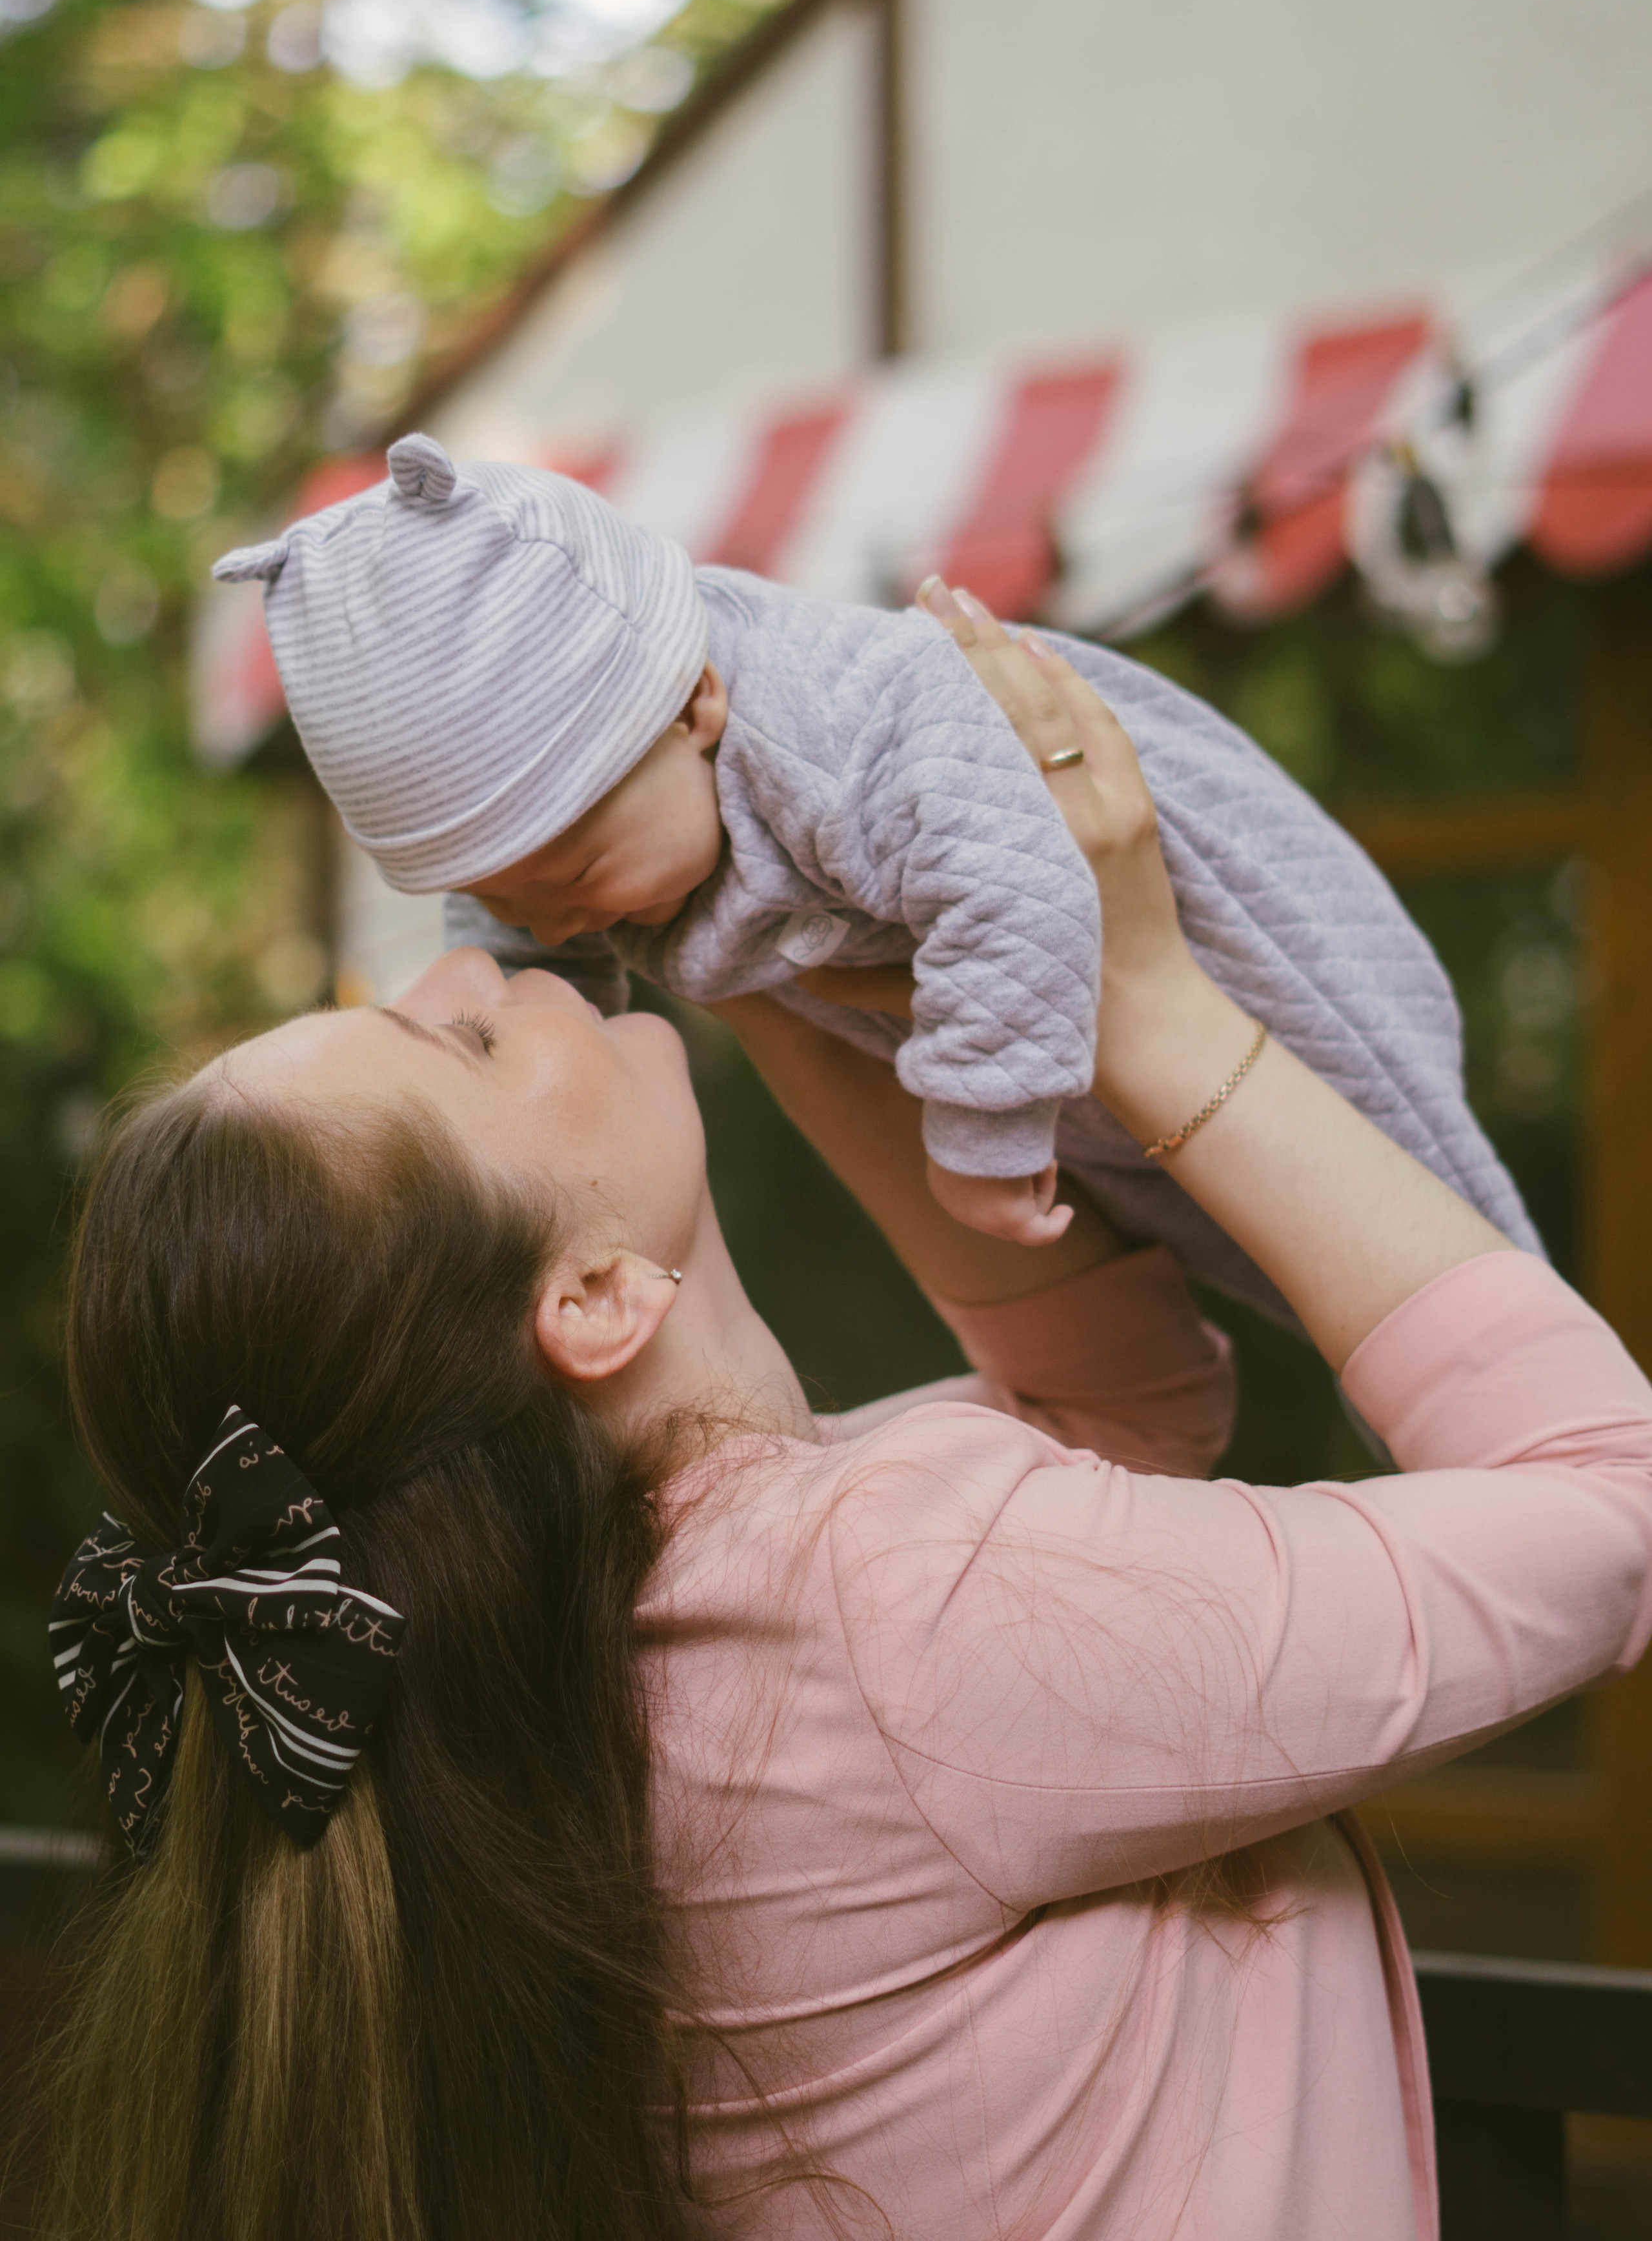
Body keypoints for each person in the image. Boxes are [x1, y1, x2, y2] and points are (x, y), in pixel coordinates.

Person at [39, 607, 1652, 2241]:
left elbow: (1124, 1417)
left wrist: (768, 954)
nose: (467, 960)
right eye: (456, 1039)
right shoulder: (900, 1602)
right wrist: (1147, 999)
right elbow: (1605, 1501)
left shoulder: (582, 1634)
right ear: (593, 1298)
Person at [208, 432, 1537, 1314]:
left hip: (1229, 932)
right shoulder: (564, 833)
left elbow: (1018, 883)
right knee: (1251, 1258)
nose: (554, 918)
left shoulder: (846, 724)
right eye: (502, 891)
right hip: (1060, 1049)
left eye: (574, 867)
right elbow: (518, 965)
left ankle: (1550, 1434)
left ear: (697, 706)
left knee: (1405, 1195)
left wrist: (974, 1129)